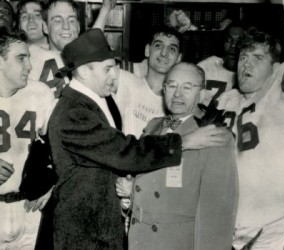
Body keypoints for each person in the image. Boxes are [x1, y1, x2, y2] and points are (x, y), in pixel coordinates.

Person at [36, 28, 219, 250]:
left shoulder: (97, 102)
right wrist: (184, 142)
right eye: (107, 69)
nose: (114, 75)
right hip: (82, 234)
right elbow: (123, 151)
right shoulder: (74, 112)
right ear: (84, 71)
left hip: (99, 228)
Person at [117, 62, 238, 250]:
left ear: (202, 93)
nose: (178, 94)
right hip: (140, 241)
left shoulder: (213, 136)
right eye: (172, 86)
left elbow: (217, 216)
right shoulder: (153, 127)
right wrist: (131, 191)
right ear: (164, 90)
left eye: (187, 87)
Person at [216, 0, 284, 248]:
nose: (247, 64)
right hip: (225, 228)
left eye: (257, 57)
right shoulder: (226, 100)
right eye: (243, 57)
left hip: (271, 230)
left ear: (275, 67)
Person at [0, 28, 54, 250]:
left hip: (28, 208)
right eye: (21, 59)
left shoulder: (39, 93)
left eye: (29, 58)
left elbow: (62, 148)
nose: (30, 66)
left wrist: (53, 186)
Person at [27, 0, 116, 98]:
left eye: (72, 20)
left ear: (78, 27)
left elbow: (93, 37)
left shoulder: (90, 59)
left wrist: (105, 9)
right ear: (45, 27)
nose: (66, 26)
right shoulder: (29, 57)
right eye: (57, 20)